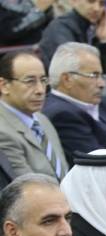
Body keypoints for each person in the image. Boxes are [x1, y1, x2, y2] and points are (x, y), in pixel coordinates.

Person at [0, 51, 68, 180]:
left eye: (43, 80)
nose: (40, 90)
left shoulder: (42, 119)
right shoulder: (3, 132)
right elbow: (28, 186)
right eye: (30, 81)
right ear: (4, 86)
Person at [38, 0, 106, 68]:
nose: (96, 8)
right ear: (74, 1)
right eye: (90, 1)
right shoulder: (60, 28)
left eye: (102, 3)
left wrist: (104, 40)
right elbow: (70, 68)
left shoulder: (91, 28)